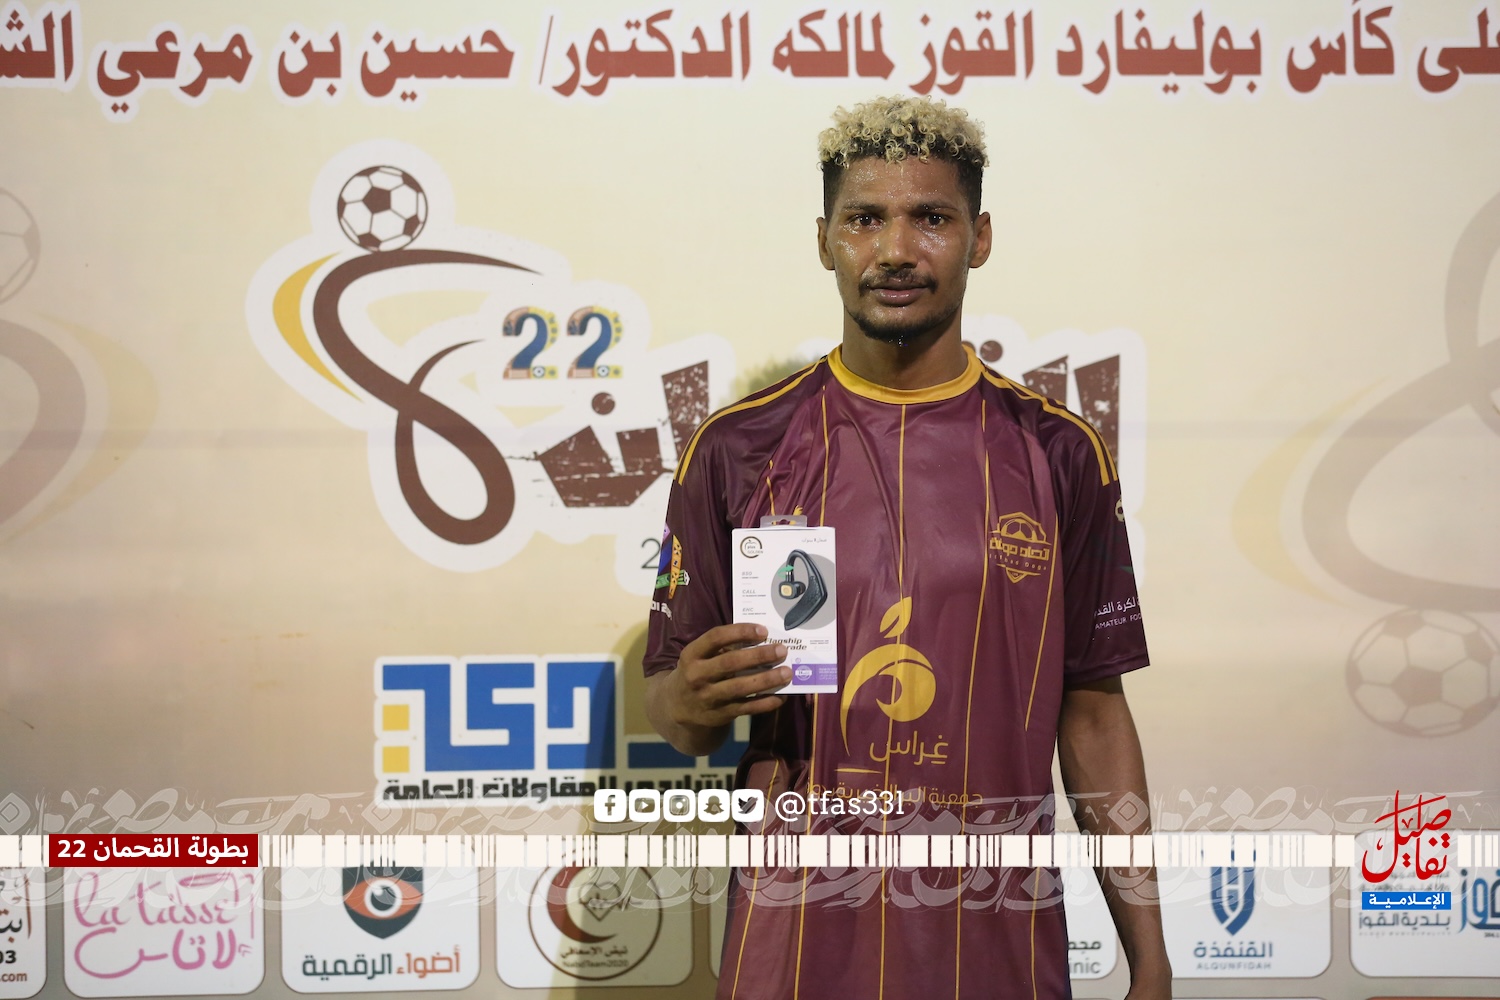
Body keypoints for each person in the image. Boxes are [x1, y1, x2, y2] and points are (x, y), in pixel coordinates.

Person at [643, 95, 1171, 1000]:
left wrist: (1150, 957)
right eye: (863, 220)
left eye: (931, 218)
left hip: (995, 946)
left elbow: (1093, 714)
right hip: (793, 946)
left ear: (980, 238)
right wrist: (689, 699)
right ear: (823, 240)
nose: (894, 250)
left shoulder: (1058, 452)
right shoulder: (737, 448)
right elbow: (678, 717)